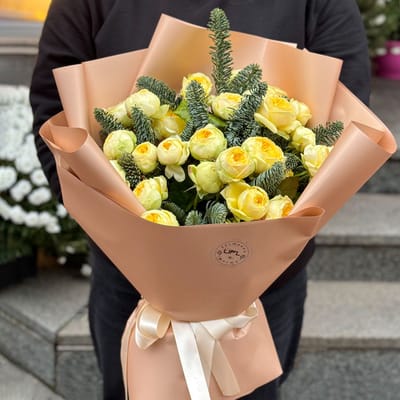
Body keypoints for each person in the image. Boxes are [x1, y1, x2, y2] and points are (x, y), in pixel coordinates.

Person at [30, 1, 370, 399]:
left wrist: (261, 248)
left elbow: (345, 127)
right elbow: (54, 108)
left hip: (262, 288)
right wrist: (111, 227)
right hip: (129, 280)